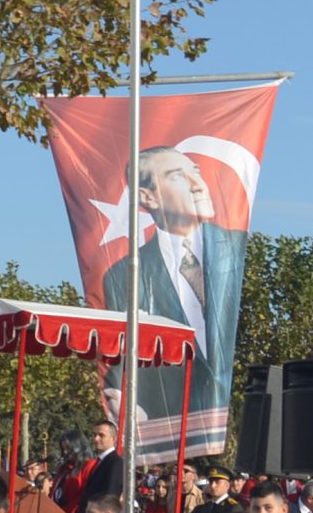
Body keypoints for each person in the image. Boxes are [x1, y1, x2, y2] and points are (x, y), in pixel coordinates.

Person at [98, 146, 249, 452]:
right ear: (148, 197)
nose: (198, 184)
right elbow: (120, 359)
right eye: (179, 176)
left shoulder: (237, 249)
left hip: (236, 423)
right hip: (166, 434)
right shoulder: (124, 275)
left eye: (197, 172)